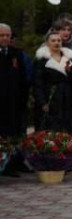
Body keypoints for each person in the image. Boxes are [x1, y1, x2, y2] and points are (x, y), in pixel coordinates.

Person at [33, 31, 72, 134]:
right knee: (51, 129)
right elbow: (38, 83)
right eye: (53, 40)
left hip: (68, 99)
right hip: (50, 98)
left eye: (59, 40)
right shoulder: (41, 60)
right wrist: (42, 102)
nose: (56, 43)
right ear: (47, 43)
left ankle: (68, 144)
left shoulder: (70, 59)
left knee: (68, 128)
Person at [0, 23, 33, 175]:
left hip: (15, 102)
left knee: (15, 133)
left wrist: (23, 98)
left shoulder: (16, 54)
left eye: (7, 35)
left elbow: (23, 79)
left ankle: (15, 162)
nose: (5, 38)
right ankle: (4, 164)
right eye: (2, 35)